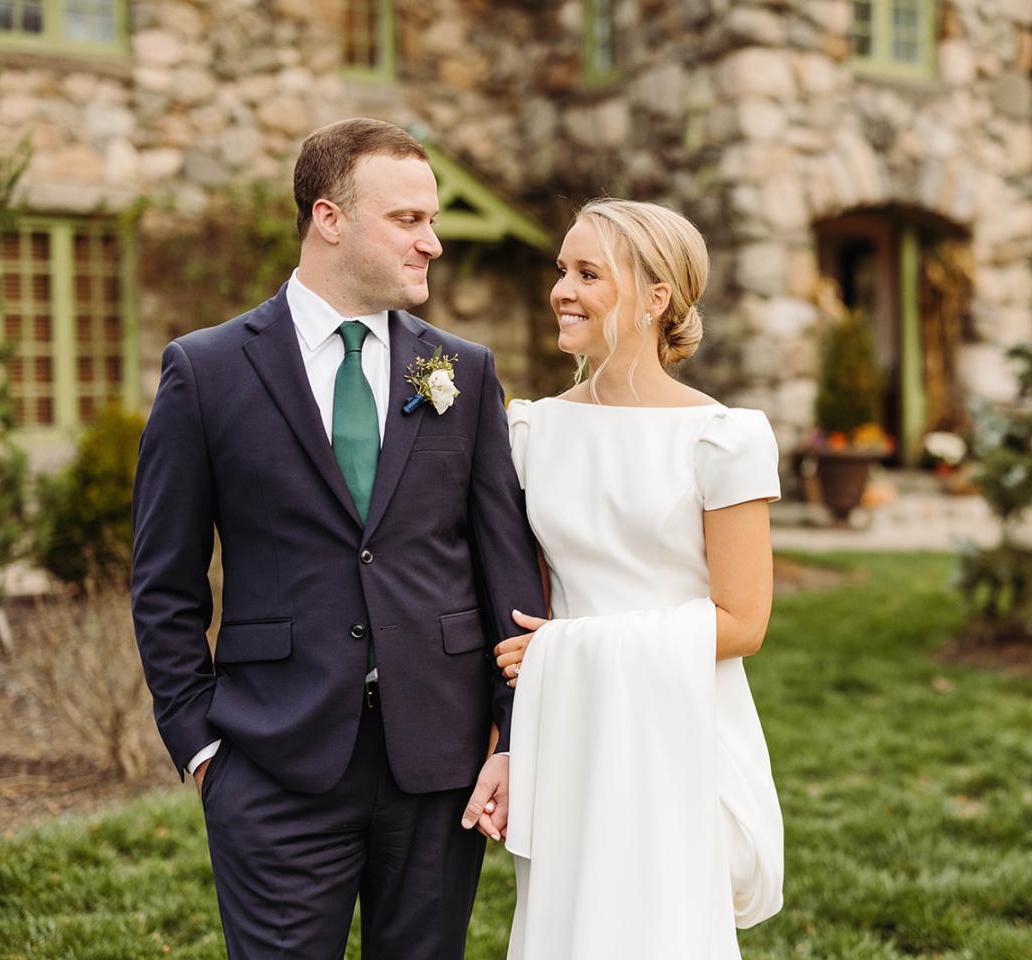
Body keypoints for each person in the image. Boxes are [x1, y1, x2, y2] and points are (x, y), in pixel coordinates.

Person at [130, 118, 546, 958]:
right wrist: (203, 748)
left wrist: (512, 738)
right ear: (328, 218)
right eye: (407, 221)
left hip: (439, 766)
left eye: (432, 221)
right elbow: (164, 583)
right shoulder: (206, 372)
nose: (431, 243)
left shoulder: (464, 373)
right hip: (272, 765)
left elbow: (508, 573)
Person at [497, 198, 785, 958]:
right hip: (567, 728)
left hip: (673, 728)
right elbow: (530, 596)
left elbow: (743, 622)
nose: (563, 288)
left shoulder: (721, 439)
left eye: (588, 273)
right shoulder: (531, 431)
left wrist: (567, 649)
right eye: (562, 269)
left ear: (657, 299)